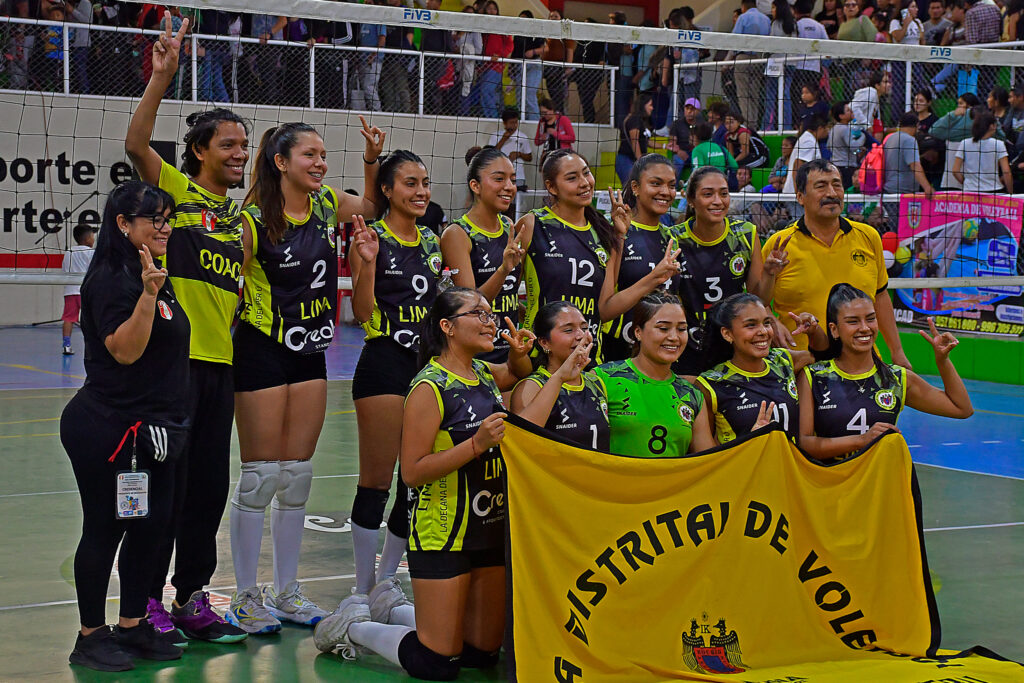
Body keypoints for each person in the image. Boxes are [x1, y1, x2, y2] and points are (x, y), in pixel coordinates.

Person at [313, 287, 535, 677]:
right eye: (479, 315)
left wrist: (518, 352)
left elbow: (519, 374)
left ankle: (397, 610)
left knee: (482, 653)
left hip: (487, 529)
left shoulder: (482, 373)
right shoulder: (429, 387)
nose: (491, 322)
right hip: (443, 532)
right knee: (438, 662)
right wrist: (476, 445)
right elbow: (412, 471)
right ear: (448, 327)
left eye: (491, 315)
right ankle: (354, 628)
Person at [226, 121, 384, 634]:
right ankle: (246, 595)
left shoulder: (324, 205)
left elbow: (375, 209)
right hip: (261, 351)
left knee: (297, 476)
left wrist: (370, 160)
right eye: (309, 155)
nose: (320, 163)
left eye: (322, 155)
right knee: (259, 477)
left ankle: (287, 590)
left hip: (310, 350)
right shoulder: (251, 221)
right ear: (281, 162)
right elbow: (229, 293)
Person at [124, 14, 249, 644]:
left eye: (244, 146)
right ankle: (143, 600)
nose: (238, 154)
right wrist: (161, 78)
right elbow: (137, 141)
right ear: (200, 151)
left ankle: (193, 595)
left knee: (207, 489)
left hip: (220, 368)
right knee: (162, 486)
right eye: (228, 145)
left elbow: (242, 291)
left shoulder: (238, 219)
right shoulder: (175, 192)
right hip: (174, 366)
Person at [62, 182, 187, 671]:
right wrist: (148, 293)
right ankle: (90, 636)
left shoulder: (152, 271)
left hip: (156, 431)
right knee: (105, 531)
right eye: (154, 218)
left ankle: (133, 625)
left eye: (168, 218)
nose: (164, 227)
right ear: (122, 224)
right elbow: (125, 351)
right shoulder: (115, 279)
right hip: (111, 432)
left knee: (152, 531)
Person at [348, 150, 441, 625]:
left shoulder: (432, 240)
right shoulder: (371, 236)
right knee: (376, 482)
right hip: (384, 362)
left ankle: (387, 581)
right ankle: (360, 590)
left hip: (425, 370)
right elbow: (362, 313)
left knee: (413, 480)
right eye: (410, 183)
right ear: (386, 190)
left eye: (424, 182)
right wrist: (365, 263)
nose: (421, 191)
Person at [514, 149, 681, 362]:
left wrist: (654, 275)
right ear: (551, 187)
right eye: (572, 178)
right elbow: (506, 296)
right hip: (541, 357)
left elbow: (605, 309)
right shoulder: (532, 225)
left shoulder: (604, 231)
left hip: (590, 359)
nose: (584, 182)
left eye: (586, 173)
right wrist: (533, 321)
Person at [761, 159, 912, 368]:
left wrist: (897, 352)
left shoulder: (868, 237)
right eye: (821, 186)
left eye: (837, 184)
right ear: (800, 197)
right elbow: (759, 301)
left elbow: (880, 296)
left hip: (861, 368)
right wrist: (772, 321)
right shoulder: (778, 245)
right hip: (800, 367)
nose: (832, 193)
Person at [798, 283, 972, 460]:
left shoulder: (895, 378)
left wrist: (943, 361)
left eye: (871, 318)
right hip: (829, 482)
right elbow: (805, 443)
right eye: (853, 321)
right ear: (834, 329)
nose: (865, 327)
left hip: (879, 484)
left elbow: (961, 408)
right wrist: (861, 440)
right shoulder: (815, 377)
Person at [673, 166, 784, 374]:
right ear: (690, 199)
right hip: (688, 346)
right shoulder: (673, 238)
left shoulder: (745, 233)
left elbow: (758, 299)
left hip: (733, 345)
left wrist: (769, 273)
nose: (718, 201)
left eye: (723, 193)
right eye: (708, 194)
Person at [594, 292, 718, 457]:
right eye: (663, 328)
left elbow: (708, 462)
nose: (674, 337)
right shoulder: (604, 377)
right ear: (638, 332)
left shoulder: (692, 395)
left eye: (681, 329)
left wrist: (752, 442)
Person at [697, 293, 826, 442]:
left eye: (766, 323)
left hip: (792, 465)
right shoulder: (710, 384)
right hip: (746, 465)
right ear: (727, 333)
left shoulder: (783, 360)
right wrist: (750, 441)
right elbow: (709, 454)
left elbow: (823, 358)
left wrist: (814, 331)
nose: (763, 332)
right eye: (751, 325)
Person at [441, 147, 524, 363]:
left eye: (512, 180)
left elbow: (509, 297)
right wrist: (504, 269)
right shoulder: (457, 234)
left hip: (511, 351)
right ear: (475, 186)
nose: (509, 187)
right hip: (477, 357)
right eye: (499, 179)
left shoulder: (508, 227)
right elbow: (472, 306)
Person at [604, 154, 684, 361]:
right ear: (636, 188)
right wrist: (654, 277)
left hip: (662, 349)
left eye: (671, 185)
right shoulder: (614, 231)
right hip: (618, 349)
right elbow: (604, 308)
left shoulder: (673, 238)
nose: (666, 192)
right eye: (656, 184)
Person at [510, 302, 609, 448]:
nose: (581, 335)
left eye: (584, 328)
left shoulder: (595, 382)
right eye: (569, 330)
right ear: (544, 342)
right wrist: (559, 377)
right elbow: (520, 441)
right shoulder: (531, 386)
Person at [883, 112, 935, 227]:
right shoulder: (909, 140)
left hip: (889, 189)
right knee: (903, 229)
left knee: (894, 228)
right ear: (917, 125)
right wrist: (927, 187)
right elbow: (914, 165)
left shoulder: (890, 138)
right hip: (903, 193)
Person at [728, 0, 771, 127]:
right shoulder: (766, 19)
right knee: (755, 93)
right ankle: (755, 124)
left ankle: (748, 124)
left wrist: (728, 61)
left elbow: (735, 39)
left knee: (743, 94)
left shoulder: (743, 18)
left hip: (744, 58)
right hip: (759, 58)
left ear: (743, 7)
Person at [953, 110, 1013, 193]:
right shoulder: (998, 144)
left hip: (970, 190)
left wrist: (967, 183)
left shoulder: (964, 143)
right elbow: (1006, 172)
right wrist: (1011, 193)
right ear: (992, 126)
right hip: (993, 189)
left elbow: (955, 170)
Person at [488, 107, 533, 214]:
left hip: (518, 176)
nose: (514, 125)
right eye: (511, 123)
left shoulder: (523, 137)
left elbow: (530, 157)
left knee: (515, 205)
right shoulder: (496, 136)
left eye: (515, 122)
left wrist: (519, 154)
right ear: (504, 123)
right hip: (500, 177)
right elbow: (490, 154)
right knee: (500, 203)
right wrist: (504, 139)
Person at [61, 223, 97, 355]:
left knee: (68, 319)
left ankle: (66, 346)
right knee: (92, 319)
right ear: (87, 239)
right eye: (92, 236)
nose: (93, 239)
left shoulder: (68, 252)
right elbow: (95, 270)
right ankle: (94, 345)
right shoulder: (91, 252)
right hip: (85, 291)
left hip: (70, 291)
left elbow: (65, 270)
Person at [782, 115, 829, 197]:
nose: (828, 131)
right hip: (797, 193)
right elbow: (798, 165)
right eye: (827, 128)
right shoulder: (808, 141)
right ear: (821, 128)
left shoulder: (809, 139)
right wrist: (799, 191)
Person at [616, 95, 655, 187]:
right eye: (650, 105)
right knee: (630, 188)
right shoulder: (634, 119)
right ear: (643, 105)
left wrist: (664, 146)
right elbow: (635, 141)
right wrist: (640, 161)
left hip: (632, 160)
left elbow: (646, 141)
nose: (652, 108)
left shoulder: (642, 121)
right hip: (626, 159)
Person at [828, 101, 866, 188]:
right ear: (841, 116)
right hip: (846, 167)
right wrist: (863, 136)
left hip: (836, 165)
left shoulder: (834, 129)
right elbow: (854, 146)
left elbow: (829, 146)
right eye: (848, 110)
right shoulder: (844, 129)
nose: (851, 112)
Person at [534, 98, 575, 165]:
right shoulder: (542, 122)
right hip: (548, 156)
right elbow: (536, 142)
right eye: (542, 113)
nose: (544, 115)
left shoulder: (563, 119)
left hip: (564, 155)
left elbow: (572, 138)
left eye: (545, 112)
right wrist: (541, 139)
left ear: (552, 110)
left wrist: (555, 134)